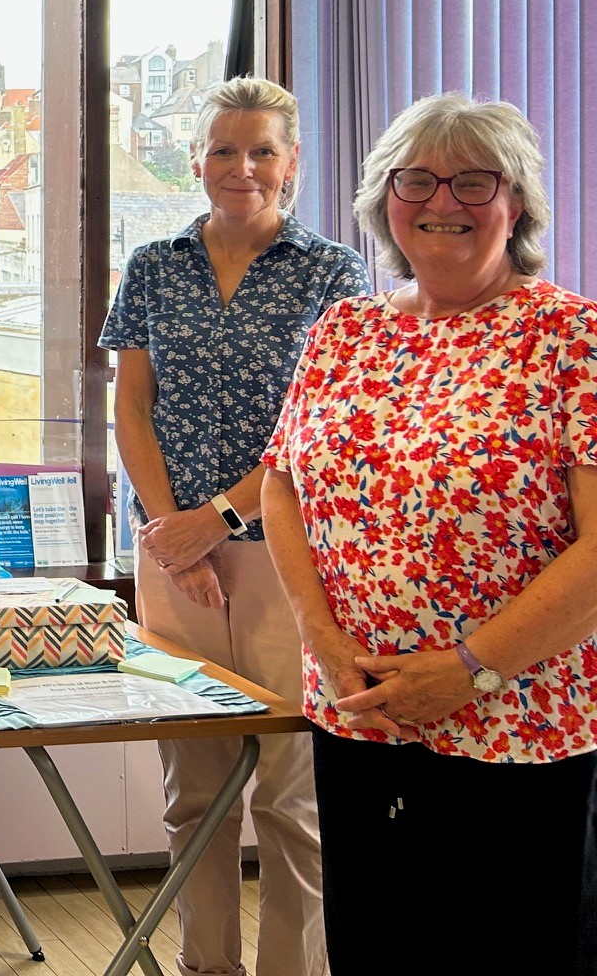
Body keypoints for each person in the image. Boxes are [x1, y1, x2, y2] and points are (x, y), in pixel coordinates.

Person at [261, 93, 597, 974]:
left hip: (514, 724)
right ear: (386, 199)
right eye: (418, 178)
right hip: (358, 710)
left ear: (514, 202)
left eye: (473, 181)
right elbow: (281, 487)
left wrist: (470, 667)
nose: (442, 201)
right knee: (376, 948)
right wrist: (323, 640)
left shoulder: (573, 338)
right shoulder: (346, 330)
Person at [101, 76, 369, 976]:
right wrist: (171, 537)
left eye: (262, 151)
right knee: (195, 797)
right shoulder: (152, 266)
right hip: (174, 559)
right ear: (197, 160)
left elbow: (319, 429)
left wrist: (211, 523)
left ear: (291, 164)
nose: (242, 167)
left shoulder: (334, 272)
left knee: (292, 805)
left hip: (290, 565)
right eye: (224, 149)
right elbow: (132, 409)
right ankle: (203, 968)